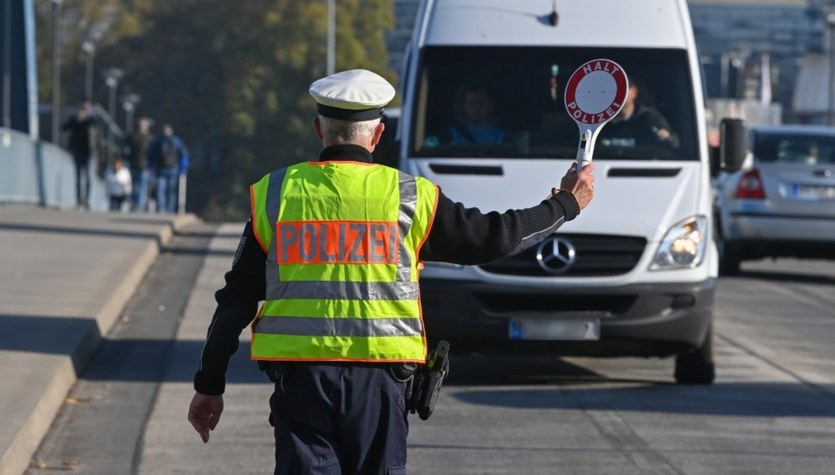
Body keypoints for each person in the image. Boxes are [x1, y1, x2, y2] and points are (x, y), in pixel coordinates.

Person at [187, 69, 595, 474]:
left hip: (301, 383)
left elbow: (235, 300)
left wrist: (209, 384)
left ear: (318, 129)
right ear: (379, 133)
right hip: (380, 386)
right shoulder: (410, 198)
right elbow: (496, 238)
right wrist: (564, 205)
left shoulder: (276, 194)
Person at [600, 77, 679, 148]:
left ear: (634, 92)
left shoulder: (649, 116)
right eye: (613, 89)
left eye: (623, 89)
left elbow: (675, 143)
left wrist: (666, 137)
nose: (618, 93)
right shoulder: (601, 120)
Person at [61, 99, 98, 209]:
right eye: (82, 108)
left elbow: (97, 134)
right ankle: (78, 201)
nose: (84, 110)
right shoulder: (74, 119)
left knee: (87, 177)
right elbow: (63, 128)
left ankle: (86, 201)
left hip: (88, 151)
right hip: (77, 150)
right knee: (77, 177)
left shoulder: (93, 120)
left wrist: (96, 149)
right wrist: (76, 121)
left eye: (86, 108)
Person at [148, 123, 189, 213]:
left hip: (159, 169)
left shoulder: (157, 141)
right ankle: (170, 209)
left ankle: (161, 208)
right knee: (171, 191)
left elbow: (151, 155)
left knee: (160, 190)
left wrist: (151, 167)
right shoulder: (176, 140)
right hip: (173, 168)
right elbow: (183, 154)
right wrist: (183, 168)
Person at [124, 117, 154, 212]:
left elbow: (125, 150)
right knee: (141, 186)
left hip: (135, 164)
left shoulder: (132, 136)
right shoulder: (149, 138)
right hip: (142, 166)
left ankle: (135, 204)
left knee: (136, 186)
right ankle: (139, 206)